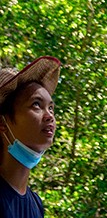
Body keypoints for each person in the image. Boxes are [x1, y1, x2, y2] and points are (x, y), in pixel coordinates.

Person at [0, 58, 60, 218]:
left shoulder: (36, 204)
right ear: (2, 122)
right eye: (36, 105)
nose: (49, 116)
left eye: (51, 108)